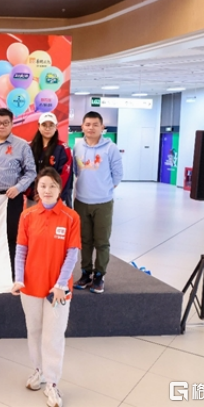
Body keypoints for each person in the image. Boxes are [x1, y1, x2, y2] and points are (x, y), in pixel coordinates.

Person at [11, 167, 80, 407]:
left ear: (59, 189)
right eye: (43, 186)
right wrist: (19, 278)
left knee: (53, 336)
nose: (47, 190)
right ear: (37, 189)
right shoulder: (27, 216)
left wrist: (61, 284)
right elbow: (21, 251)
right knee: (34, 331)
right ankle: (39, 371)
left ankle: (52, 383)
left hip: (57, 291)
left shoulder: (71, 217)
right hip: (30, 287)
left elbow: (72, 255)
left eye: (52, 185)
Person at [0, 108, 36, 279]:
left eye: (5, 123)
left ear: (12, 124)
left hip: (11, 198)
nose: (1, 126)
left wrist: (18, 187)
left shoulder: (22, 146)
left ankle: (13, 274)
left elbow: (31, 172)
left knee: (12, 236)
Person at [72, 111, 123, 294]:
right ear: (82, 126)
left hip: (103, 203)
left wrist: (104, 189)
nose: (91, 128)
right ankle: (86, 273)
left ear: (102, 127)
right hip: (81, 201)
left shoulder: (111, 148)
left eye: (95, 124)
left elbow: (118, 175)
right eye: (87, 124)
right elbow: (76, 171)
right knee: (84, 240)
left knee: (101, 241)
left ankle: (99, 275)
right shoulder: (77, 146)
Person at [28, 112, 73, 207]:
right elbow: (26, 173)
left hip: (55, 199)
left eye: (51, 125)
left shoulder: (63, 149)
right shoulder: (29, 148)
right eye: (44, 125)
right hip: (34, 199)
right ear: (39, 126)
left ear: (56, 127)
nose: (47, 128)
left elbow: (65, 175)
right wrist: (35, 193)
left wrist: (51, 193)